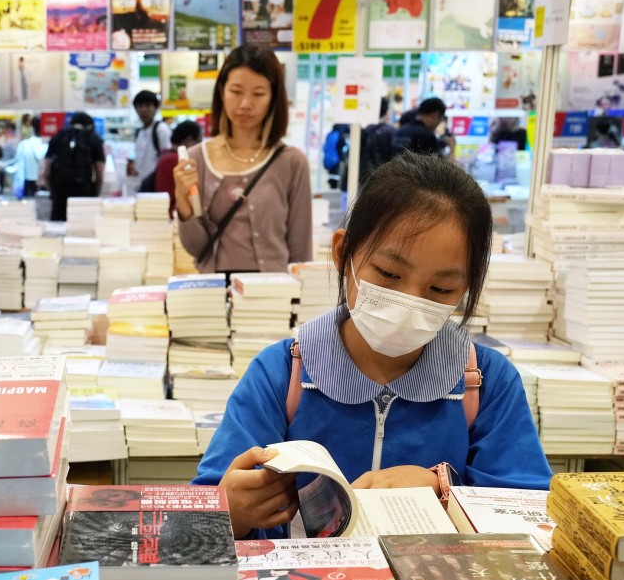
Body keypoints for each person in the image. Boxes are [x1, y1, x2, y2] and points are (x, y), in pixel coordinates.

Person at [193, 152, 552, 540]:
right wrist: (229, 512)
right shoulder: (281, 374)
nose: (410, 299)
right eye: (388, 273)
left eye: (440, 289)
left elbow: (532, 518)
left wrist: (445, 493)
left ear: (466, 288)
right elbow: (200, 518)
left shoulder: (486, 383)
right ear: (343, 253)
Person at [173, 43, 312, 274]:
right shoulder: (196, 158)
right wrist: (182, 200)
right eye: (236, 91)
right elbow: (197, 248)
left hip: (273, 296)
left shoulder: (291, 162)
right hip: (213, 295)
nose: (245, 104)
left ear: (273, 98)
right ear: (221, 92)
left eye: (258, 94)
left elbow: (301, 250)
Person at [42, 111, 105, 222]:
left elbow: (46, 172)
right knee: (81, 231)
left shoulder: (57, 137)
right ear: (89, 125)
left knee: (57, 231)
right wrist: (95, 194)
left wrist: (53, 192)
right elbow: (100, 174)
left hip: (60, 194)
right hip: (84, 194)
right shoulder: (94, 139)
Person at [341, 97, 396, 193]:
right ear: (387, 111)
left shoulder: (362, 131)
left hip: (362, 178)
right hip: (381, 181)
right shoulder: (391, 132)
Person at [151, 119, 202, 217]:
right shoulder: (178, 161)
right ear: (189, 139)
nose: (200, 146)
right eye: (199, 141)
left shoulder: (165, 155)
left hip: (167, 211)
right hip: (174, 215)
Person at [132, 89, 172, 186]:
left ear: (155, 108)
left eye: (147, 106)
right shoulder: (139, 132)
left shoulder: (161, 129)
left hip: (157, 183)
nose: (143, 110)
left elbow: (167, 159)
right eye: (140, 106)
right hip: (143, 184)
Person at [14, 114, 47, 197]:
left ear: (32, 127)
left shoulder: (24, 144)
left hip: (28, 185)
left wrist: (17, 190)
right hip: (46, 184)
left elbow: (19, 168)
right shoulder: (50, 144)